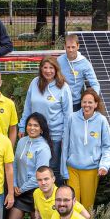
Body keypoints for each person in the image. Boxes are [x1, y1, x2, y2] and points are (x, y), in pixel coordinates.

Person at [18, 56, 73, 185]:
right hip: (35, 133)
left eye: (51, 68)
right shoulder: (35, 83)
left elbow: (68, 115)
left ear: (56, 69)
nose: (48, 71)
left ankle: (57, 199)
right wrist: (22, 126)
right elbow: (28, 107)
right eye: (45, 67)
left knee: (52, 169)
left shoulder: (63, 87)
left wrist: (66, 135)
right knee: (36, 168)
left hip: (55, 136)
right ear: (41, 69)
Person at [61, 89, 110, 212]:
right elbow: (65, 146)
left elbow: (109, 146)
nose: (87, 105)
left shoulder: (101, 121)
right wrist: (63, 169)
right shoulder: (72, 118)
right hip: (72, 168)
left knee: (87, 207)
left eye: (90, 102)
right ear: (80, 103)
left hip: (91, 170)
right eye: (84, 102)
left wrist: (104, 165)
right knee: (72, 204)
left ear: (96, 104)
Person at [7, 113, 52, 219]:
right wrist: (14, 184)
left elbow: (40, 176)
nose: (32, 128)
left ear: (41, 129)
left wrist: (22, 189)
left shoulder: (43, 148)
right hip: (19, 190)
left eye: (36, 126)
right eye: (30, 125)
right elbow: (14, 164)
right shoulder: (22, 141)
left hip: (35, 192)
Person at [57, 34, 100, 111]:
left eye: (73, 47)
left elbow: (94, 84)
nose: (70, 50)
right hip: (59, 102)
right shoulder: (59, 61)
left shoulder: (85, 63)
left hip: (75, 104)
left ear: (78, 46)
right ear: (64, 47)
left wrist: (93, 99)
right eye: (68, 47)